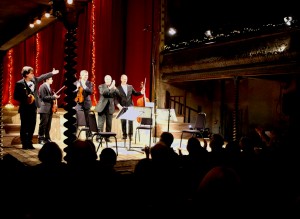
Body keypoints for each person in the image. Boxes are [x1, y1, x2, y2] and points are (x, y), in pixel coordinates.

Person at [13, 66, 59, 149]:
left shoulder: (34, 80)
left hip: (33, 107)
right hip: (24, 108)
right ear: (26, 74)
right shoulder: (19, 84)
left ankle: (29, 143)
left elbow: (42, 77)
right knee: (24, 126)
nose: (33, 74)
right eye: (31, 73)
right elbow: (15, 96)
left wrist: (52, 73)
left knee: (32, 125)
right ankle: (24, 143)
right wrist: (26, 98)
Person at [115, 74, 144, 140]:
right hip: (122, 107)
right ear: (121, 79)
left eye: (126, 79)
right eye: (124, 79)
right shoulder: (118, 88)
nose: (125, 80)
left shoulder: (130, 87)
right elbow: (115, 99)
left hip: (130, 105)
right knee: (123, 121)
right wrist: (118, 105)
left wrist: (141, 92)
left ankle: (130, 135)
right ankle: (124, 135)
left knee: (130, 121)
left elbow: (135, 93)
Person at [94, 75, 120, 142]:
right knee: (100, 124)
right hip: (102, 107)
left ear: (111, 80)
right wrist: (111, 87)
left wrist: (114, 88)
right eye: (107, 79)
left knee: (109, 124)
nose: (108, 80)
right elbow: (104, 93)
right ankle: (98, 137)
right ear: (104, 80)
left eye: (109, 79)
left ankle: (107, 138)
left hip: (110, 108)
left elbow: (118, 94)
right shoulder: (101, 86)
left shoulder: (113, 87)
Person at [37, 77, 60, 144]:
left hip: (50, 108)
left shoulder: (49, 87)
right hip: (44, 108)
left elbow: (49, 97)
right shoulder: (42, 86)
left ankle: (47, 138)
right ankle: (40, 138)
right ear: (47, 80)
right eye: (51, 79)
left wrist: (54, 96)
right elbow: (43, 97)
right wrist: (53, 97)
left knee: (48, 125)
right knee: (43, 124)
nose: (52, 80)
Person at [74, 70, 93, 138]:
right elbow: (72, 93)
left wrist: (84, 86)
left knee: (88, 121)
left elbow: (91, 92)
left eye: (87, 75)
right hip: (78, 104)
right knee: (76, 120)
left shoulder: (89, 83)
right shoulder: (76, 83)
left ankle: (89, 136)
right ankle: (74, 135)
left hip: (87, 103)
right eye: (85, 75)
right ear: (81, 75)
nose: (86, 77)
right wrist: (76, 89)